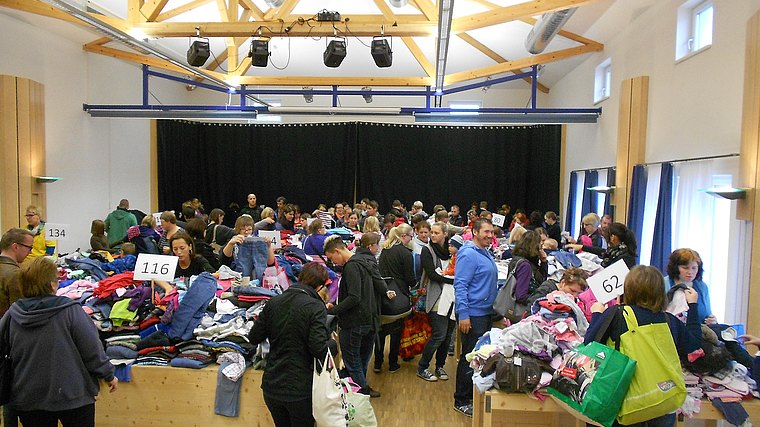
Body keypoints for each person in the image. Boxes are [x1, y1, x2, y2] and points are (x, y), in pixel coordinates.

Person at [1, 257, 118, 426]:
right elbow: (91, 349)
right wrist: (108, 374)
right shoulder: (70, 311)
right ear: (52, 284)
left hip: (28, 397)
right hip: (73, 395)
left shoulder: (12, 315)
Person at [584, 265, 702, 427]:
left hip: (628, 401)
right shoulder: (669, 320)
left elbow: (590, 344)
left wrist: (597, 313)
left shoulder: (617, 314)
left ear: (629, 289)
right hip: (664, 400)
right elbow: (694, 343)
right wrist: (693, 306)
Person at [248, 262, 335, 427]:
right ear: (320, 286)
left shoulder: (274, 302)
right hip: (300, 388)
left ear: (300, 277)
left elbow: (254, 337)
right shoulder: (316, 307)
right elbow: (318, 349)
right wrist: (333, 344)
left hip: (272, 385)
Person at [324, 235, 380, 398]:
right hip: (369, 319)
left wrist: (334, 310)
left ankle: (361, 393)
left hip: (354, 322)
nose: (334, 262)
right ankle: (361, 390)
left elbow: (354, 297)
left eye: (331, 258)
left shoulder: (352, 267)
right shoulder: (364, 261)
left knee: (353, 361)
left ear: (337, 251)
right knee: (361, 359)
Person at [453, 218, 498, 417]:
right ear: (475, 232)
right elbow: (460, 285)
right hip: (473, 314)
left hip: (484, 312)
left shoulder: (484, 251)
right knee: (469, 357)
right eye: (486, 232)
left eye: (492, 232)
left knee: (478, 356)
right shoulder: (469, 254)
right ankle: (461, 400)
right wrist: (464, 314)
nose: (490, 235)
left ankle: (471, 395)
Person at [417, 222, 456, 382]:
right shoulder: (427, 250)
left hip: (452, 298)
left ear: (445, 234)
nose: (432, 235)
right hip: (436, 298)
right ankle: (422, 367)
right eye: (431, 232)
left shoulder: (451, 250)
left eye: (436, 233)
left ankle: (440, 366)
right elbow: (432, 275)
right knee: (439, 335)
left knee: (447, 336)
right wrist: (453, 280)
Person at [375, 223, 416, 374]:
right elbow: (410, 279)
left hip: (383, 293)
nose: (411, 239)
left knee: (381, 331)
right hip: (400, 295)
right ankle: (393, 363)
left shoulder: (385, 249)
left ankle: (377, 363)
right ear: (404, 236)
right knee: (396, 331)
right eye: (411, 236)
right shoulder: (405, 253)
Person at [664, 248, 715, 325]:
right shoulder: (663, 284)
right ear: (675, 267)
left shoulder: (702, 287)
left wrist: (712, 320)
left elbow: (707, 314)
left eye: (694, 268)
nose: (690, 272)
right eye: (685, 268)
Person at [566, 222, 638, 268]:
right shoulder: (618, 251)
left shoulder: (624, 258)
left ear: (613, 237)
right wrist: (582, 247)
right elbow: (603, 251)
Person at [510, 230, 548, 312]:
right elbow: (521, 296)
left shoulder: (517, 259)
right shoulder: (525, 266)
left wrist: (544, 262)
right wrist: (540, 299)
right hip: (523, 310)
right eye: (540, 247)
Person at [0, 228, 34, 317]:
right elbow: (21, 313)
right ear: (15, 247)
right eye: (30, 248)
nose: (30, 252)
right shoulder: (15, 274)